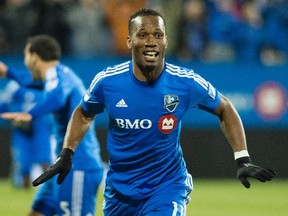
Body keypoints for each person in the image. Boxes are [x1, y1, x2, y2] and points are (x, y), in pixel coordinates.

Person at [6, 8, 276, 215]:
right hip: (119, 193)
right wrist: (67, 153)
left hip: (166, 187)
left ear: (166, 41)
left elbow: (225, 109)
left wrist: (242, 158)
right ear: (129, 40)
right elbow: (83, 112)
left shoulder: (185, 82)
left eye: (157, 35)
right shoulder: (108, 82)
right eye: (143, 34)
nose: (151, 41)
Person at [0, 35, 103, 216]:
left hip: (78, 165)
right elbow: (28, 81)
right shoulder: (58, 76)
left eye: (25, 55)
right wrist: (7, 72)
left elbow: (57, 97)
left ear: (34, 57)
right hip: (61, 166)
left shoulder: (57, 75)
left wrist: (29, 114)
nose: (25, 61)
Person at [0, 79, 52, 188]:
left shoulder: (46, 84)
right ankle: (25, 189)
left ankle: (52, 189)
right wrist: (14, 118)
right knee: (24, 164)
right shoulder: (14, 86)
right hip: (22, 130)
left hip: (40, 127)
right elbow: (4, 106)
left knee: (45, 160)